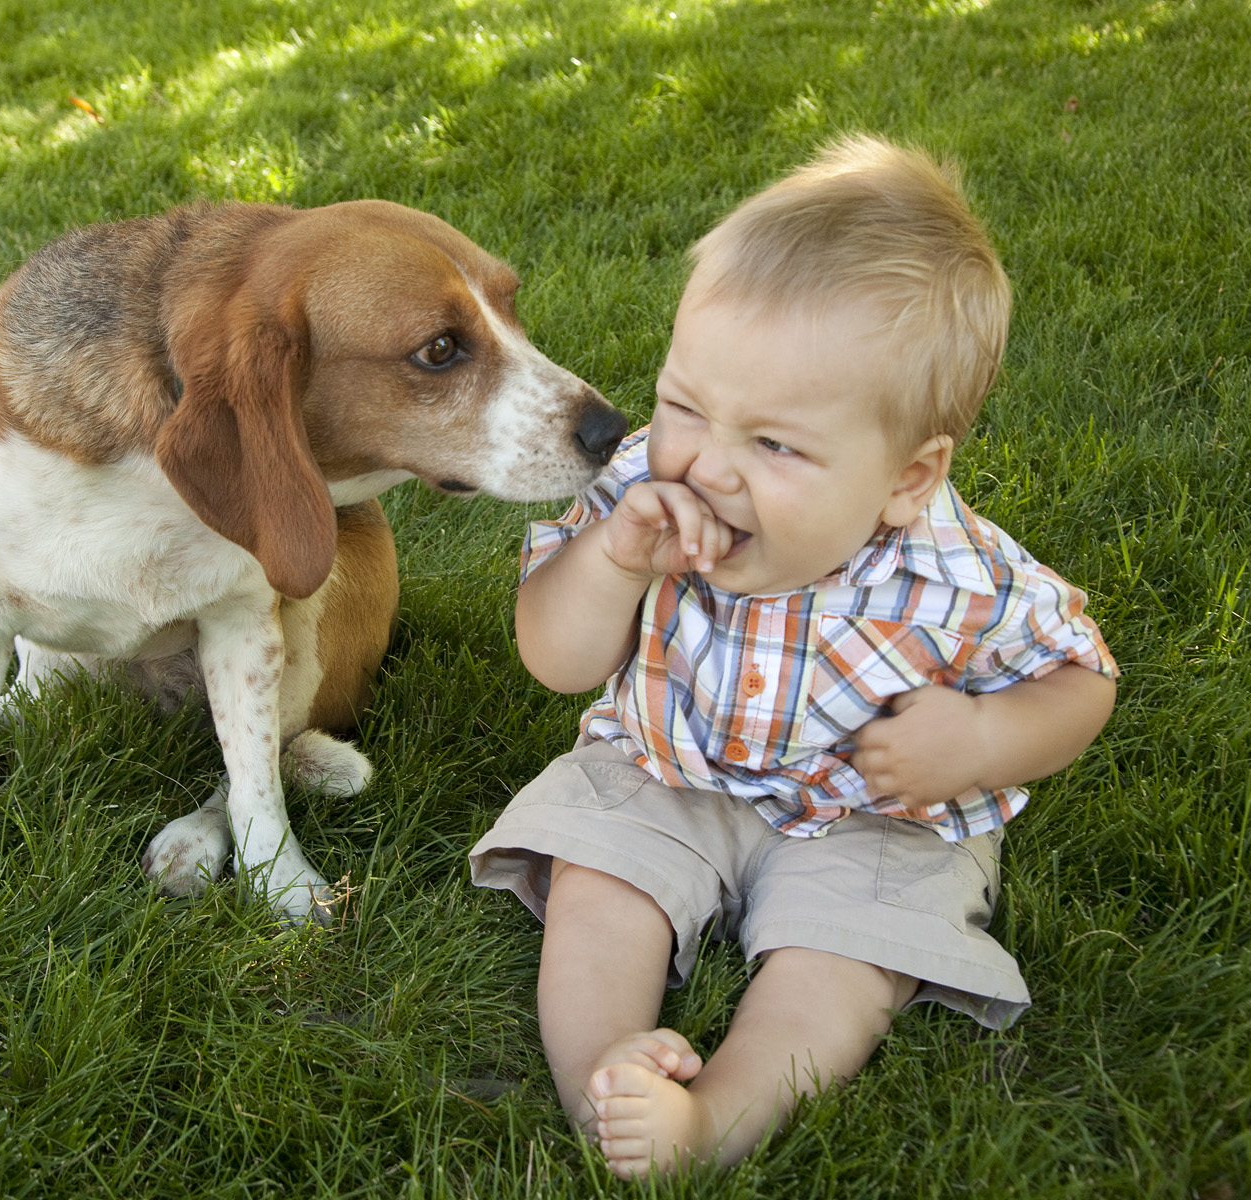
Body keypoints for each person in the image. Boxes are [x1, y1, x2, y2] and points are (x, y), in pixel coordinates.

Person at [468, 134, 1119, 1178]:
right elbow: (554, 657)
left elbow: (1083, 675)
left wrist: (989, 735)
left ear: (907, 477)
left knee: (846, 956)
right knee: (599, 877)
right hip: (665, 769)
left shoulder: (957, 575)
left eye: (775, 446)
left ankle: (715, 1121)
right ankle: (606, 1080)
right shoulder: (634, 496)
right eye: (687, 405)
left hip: (872, 816)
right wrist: (612, 563)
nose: (709, 467)